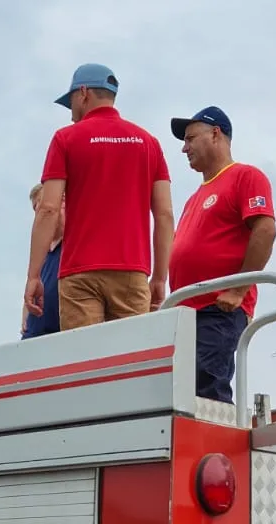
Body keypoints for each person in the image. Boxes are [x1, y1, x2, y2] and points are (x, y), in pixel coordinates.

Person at [24, 63, 173, 332]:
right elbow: (164, 215)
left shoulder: (65, 139)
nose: (71, 115)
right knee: (131, 362)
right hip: (132, 269)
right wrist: (160, 278)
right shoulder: (149, 143)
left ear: (83, 93)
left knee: (85, 365)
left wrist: (34, 275)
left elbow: (48, 208)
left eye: (71, 104)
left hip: (80, 272)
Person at [166, 106, 276, 403]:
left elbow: (265, 230)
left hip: (218, 308)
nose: (184, 148)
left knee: (207, 387)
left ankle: (214, 448)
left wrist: (237, 290)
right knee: (181, 393)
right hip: (186, 312)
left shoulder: (245, 176)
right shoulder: (195, 197)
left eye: (190, 139)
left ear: (216, 134)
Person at [21, 183, 63, 339]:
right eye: (34, 208)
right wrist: (25, 311)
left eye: (41, 204)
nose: (38, 211)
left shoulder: (75, 246)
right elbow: (31, 284)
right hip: (33, 338)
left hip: (63, 336)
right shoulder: (41, 254)